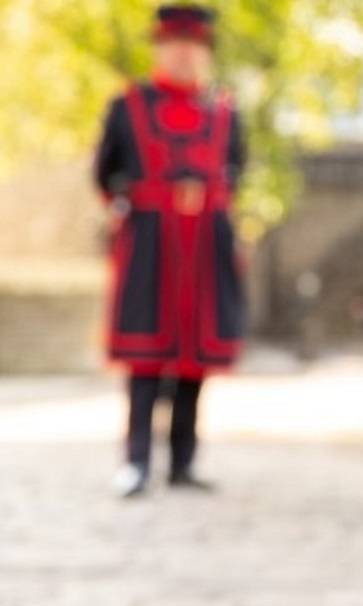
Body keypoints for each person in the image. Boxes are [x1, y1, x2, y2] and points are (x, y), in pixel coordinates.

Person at [94, 4, 245, 498]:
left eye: (192, 46)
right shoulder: (128, 106)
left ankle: (183, 462)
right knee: (144, 358)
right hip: (150, 250)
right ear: (159, 49)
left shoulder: (224, 112)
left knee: (193, 360)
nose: (183, 55)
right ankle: (136, 461)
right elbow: (104, 174)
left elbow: (236, 172)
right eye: (174, 46)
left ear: (204, 52)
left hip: (203, 250)